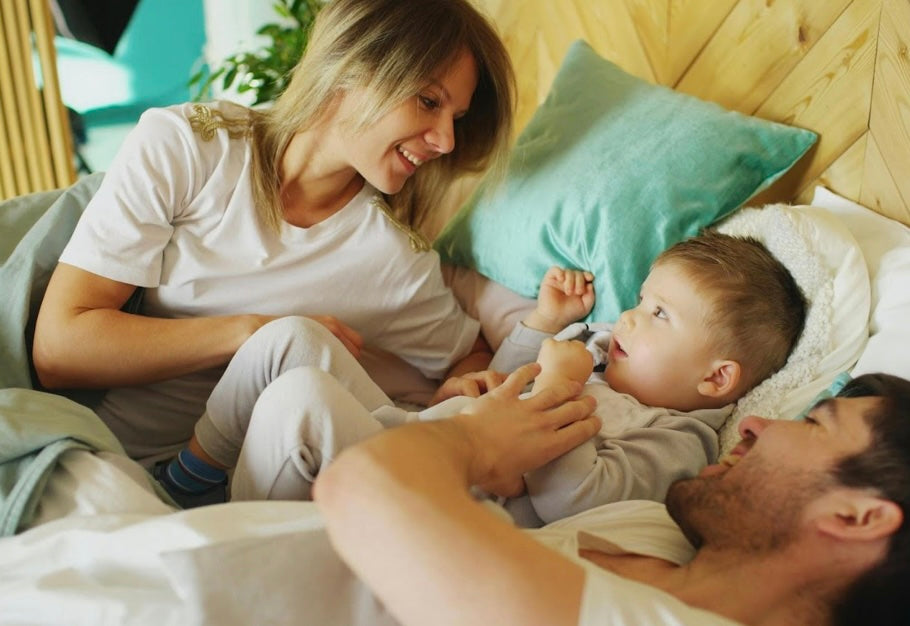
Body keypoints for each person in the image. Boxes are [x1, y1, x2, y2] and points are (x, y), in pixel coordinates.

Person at [30, 0, 516, 506]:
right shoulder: (191, 147)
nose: (446, 140)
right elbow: (59, 350)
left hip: (257, 483)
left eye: (457, 117)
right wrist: (250, 332)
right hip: (111, 466)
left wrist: (459, 388)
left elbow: (468, 353)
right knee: (294, 339)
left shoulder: (391, 256)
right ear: (351, 68)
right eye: (429, 101)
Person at [228, 232, 806, 527]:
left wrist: (557, 387)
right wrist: (544, 324)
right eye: (640, 300)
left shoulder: (676, 439)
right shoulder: (601, 350)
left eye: (660, 314)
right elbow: (507, 374)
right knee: (293, 338)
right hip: (409, 429)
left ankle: (230, 534)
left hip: (429, 492)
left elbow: (574, 501)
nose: (629, 317)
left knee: (302, 401)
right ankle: (197, 472)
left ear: (716, 379)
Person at [314, 365, 910, 626]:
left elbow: (363, 491)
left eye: (815, 424)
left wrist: (479, 440)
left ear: (856, 517)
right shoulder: (650, 525)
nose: (754, 424)